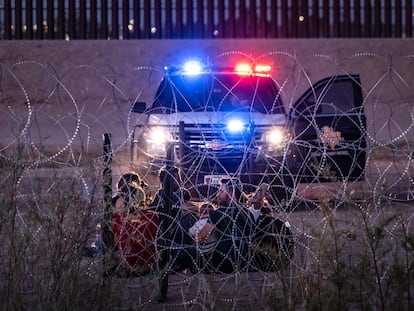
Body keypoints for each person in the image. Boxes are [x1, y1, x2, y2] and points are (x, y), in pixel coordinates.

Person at [194, 178, 255, 273]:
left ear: (231, 193)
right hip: (244, 261)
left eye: (221, 191)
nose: (218, 194)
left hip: (222, 261)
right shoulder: (248, 214)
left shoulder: (220, 213)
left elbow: (200, 237)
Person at [110, 172, 159, 275]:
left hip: (125, 264)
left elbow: (114, 241)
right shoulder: (151, 217)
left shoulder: (116, 218)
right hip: (148, 266)